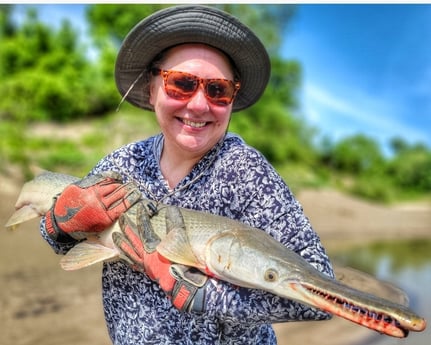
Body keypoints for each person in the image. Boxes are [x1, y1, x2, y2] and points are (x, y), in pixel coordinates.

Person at [40, 5, 334, 344]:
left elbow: (319, 294)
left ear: (231, 100)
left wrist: (207, 298)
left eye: (217, 90)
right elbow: (59, 241)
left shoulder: (247, 173)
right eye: (181, 84)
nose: (198, 105)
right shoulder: (121, 164)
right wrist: (57, 224)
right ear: (152, 90)